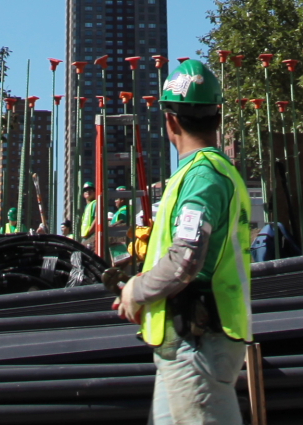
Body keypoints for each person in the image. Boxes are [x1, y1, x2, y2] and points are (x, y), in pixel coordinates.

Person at [112, 59, 253, 425]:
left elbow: (185, 259)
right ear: (217, 115)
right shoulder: (213, 172)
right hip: (185, 342)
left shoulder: (202, 176)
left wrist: (136, 290)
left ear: (170, 120)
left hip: (197, 342)